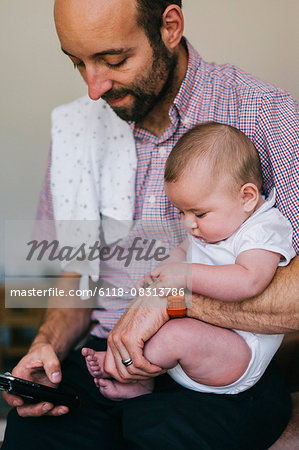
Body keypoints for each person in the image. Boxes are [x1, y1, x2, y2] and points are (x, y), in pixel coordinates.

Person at [3, 1, 299, 449]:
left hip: (219, 367)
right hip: (107, 356)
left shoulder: (264, 114)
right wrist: (48, 344)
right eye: (77, 62)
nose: (94, 87)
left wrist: (169, 302)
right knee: (34, 436)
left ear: (170, 27)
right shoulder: (78, 132)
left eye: (114, 59)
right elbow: (78, 274)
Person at [82, 122, 295, 400]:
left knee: (176, 335)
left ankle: (132, 375)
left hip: (238, 353)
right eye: (182, 212)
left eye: (199, 213)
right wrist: (162, 273)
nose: (188, 224)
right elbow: (183, 252)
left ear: (247, 197)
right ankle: (127, 361)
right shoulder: (214, 225)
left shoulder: (262, 229)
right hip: (203, 340)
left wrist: (183, 275)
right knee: (143, 316)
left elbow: (249, 280)